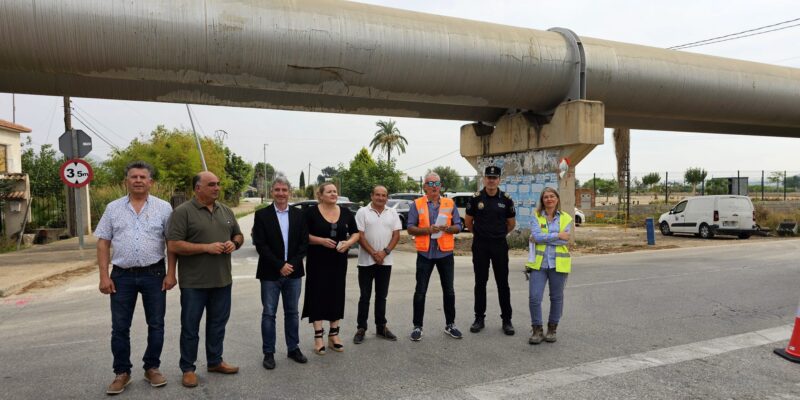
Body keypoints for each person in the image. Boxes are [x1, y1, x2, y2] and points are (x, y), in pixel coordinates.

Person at [95, 161, 175, 395]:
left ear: (150, 182)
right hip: (121, 276)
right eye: (133, 177)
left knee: (156, 324)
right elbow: (103, 242)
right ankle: (122, 373)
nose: (138, 180)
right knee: (120, 327)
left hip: (154, 273)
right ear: (126, 181)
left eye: (143, 177)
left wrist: (171, 273)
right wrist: (103, 276)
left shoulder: (164, 208)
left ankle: (152, 367)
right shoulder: (113, 208)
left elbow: (171, 242)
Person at [167, 171, 244, 388]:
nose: (217, 188)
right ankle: (188, 368)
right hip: (194, 283)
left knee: (218, 324)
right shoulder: (183, 212)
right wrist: (206, 248)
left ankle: (215, 361)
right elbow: (174, 244)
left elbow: (238, 235)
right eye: (211, 184)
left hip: (222, 280)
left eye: (218, 184)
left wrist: (234, 244)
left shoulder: (225, 210)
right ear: (197, 188)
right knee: (190, 327)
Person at [252, 176, 309, 369]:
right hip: (270, 273)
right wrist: (279, 265)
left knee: (292, 312)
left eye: (284, 190)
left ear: (289, 192)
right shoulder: (262, 215)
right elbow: (260, 245)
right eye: (277, 190)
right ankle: (269, 352)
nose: (281, 193)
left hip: (293, 273)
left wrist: (290, 265)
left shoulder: (299, 215)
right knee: (269, 313)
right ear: (272, 192)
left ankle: (293, 348)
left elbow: (303, 244)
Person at [302, 182, 360, 355]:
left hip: (338, 260)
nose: (333, 194)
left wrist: (348, 243)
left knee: (336, 294)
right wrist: (320, 240)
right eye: (329, 191)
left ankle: (334, 336)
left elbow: (356, 233)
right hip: (317, 261)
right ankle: (318, 337)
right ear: (320, 195)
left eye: (335, 191)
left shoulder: (346, 213)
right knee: (317, 295)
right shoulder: (310, 213)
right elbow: (302, 235)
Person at [407, 171, 463, 341]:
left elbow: (459, 226)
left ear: (440, 186)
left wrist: (447, 228)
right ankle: (417, 326)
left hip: (445, 253)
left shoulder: (449, 203)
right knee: (420, 291)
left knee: (449, 291)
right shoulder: (416, 204)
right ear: (424, 187)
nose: (434, 187)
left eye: (436, 183)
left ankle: (450, 324)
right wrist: (427, 230)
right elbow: (410, 228)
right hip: (425, 254)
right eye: (430, 184)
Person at [464, 165, 516, 336]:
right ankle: (479, 318)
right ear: (484, 179)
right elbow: (468, 222)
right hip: (480, 245)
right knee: (480, 283)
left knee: (503, 283)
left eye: (494, 178)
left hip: (499, 245)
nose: (491, 180)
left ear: (499, 180)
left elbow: (511, 224)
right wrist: (479, 235)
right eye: (488, 177)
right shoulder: (475, 198)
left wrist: (499, 235)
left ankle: (506, 320)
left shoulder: (506, 200)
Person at [353, 185, 401, 344]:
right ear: (372, 195)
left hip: (385, 262)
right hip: (366, 262)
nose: (381, 198)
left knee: (382, 296)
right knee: (364, 296)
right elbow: (359, 235)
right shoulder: (362, 212)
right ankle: (361, 328)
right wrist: (374, 253)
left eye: (384, 195)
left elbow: (396, 235)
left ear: (387, 197)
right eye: (378, 195)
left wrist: (384, 252)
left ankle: (381, 327)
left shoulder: (392, 212)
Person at [526, 187, 572, 345]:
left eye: (552, 196)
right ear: (542, 200)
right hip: (539, 265)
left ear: (557, 199)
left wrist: (543, 238)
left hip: (558, 264)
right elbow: (537, 237)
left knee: (556, 298)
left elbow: (564, 240)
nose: (549, 199)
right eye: (546, 197)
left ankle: (552, 329)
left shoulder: (566, 218)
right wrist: (557, 235)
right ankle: (537, 330)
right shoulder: (536, 216)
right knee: (534, 298)